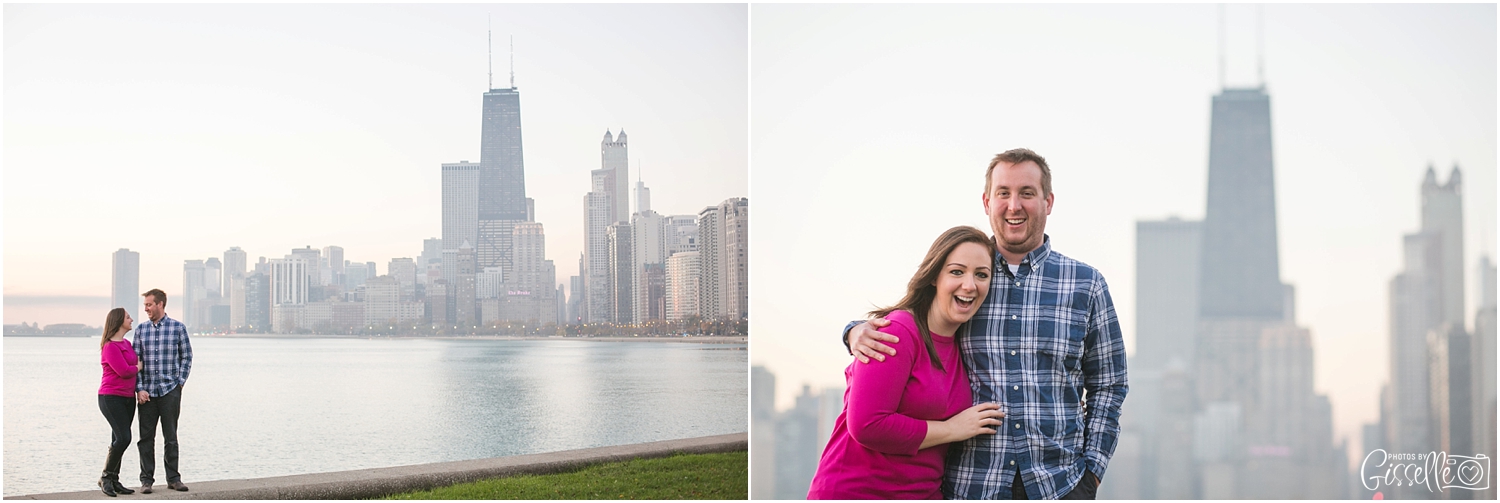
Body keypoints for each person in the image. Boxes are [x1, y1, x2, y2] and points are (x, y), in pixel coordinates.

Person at [846, 149, 1128, 499]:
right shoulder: (966, 278)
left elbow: (1110, 384)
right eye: (1003, 193)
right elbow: (912, 317)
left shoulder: (1086, 284)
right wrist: (854, 329)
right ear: (986, 201)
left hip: (1059, 486)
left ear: (1048, 201)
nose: (1014, 205)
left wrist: (1091, 476)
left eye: (1027, 193)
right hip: (969, 486)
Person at [808, 226, 1007, 499]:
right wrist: (952, 429)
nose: (969, 285)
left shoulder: (966, 346)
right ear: (935, 276)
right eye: (957, 271)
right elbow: (867, 425)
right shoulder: (899, 331)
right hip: (857, 492)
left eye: (981, 275)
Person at [133, 289, 194, 493]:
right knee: (145, 439)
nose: (146, 308)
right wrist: (139, 388)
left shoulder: (178, 328)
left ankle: (173, 479)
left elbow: (187, 356)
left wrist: (180, 383)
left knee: (171, 437)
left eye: (149, 304)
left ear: (160, 304)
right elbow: (136, 362)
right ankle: (146, 481)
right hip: (147, 394)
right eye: (145, 305)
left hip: (170, 390)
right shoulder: (141, 330)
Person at [98, 308, 141, 497]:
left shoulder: (126, 343)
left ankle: (114, 480)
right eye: (128, 317)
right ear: (118, 321)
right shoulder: (109, 346)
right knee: (124, 438)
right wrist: (138, 367)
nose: (131, 319)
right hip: (111, 397)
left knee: (117, 439)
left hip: (127, 397)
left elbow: (129, 368)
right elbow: (123, 371)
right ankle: (106, 477)